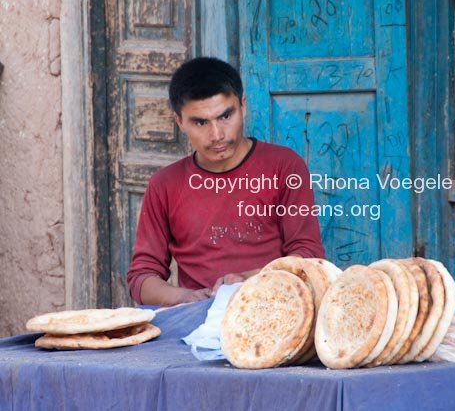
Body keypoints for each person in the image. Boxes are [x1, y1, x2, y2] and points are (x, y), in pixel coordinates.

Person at [127, 57, 325, 306]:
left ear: (243, 107)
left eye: (225, 116)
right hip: (197, 323)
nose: (217, 135)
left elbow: (308, 255)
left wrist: (249, 280)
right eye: (200, 122)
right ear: (180, 122)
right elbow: (141, 277)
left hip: (276, 308)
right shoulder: (164, 185)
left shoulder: (284, 166)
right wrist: (187, 298)